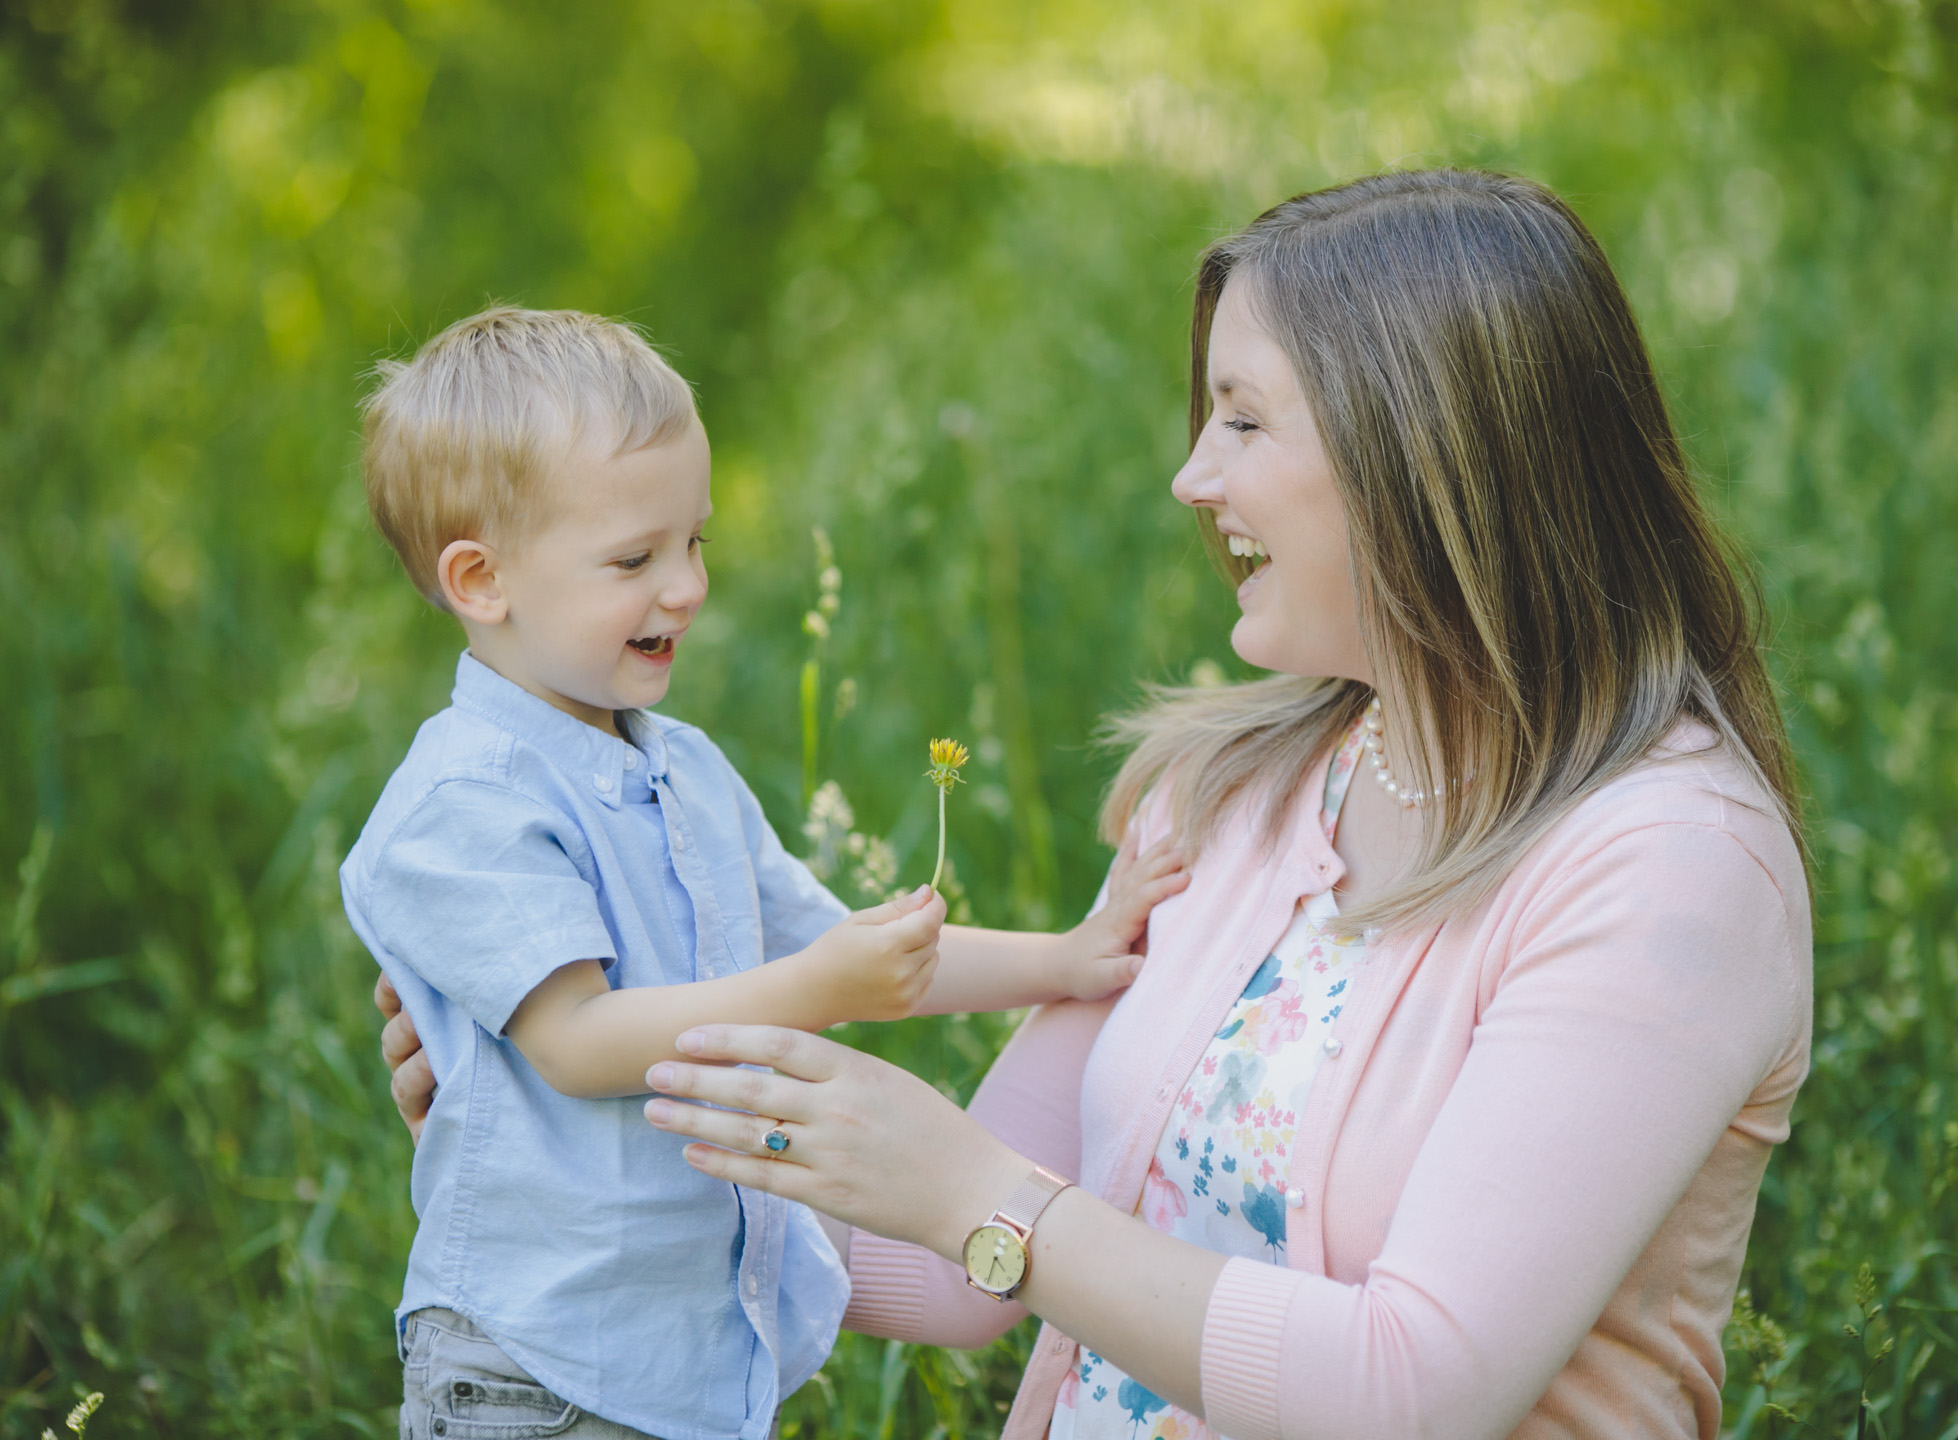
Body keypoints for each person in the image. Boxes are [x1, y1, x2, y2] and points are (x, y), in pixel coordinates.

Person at [380, 168, 1813, 1439]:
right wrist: (565, 1141)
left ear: (1424, 456)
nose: (1194, 477)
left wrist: (974, 1195)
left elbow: (1415, 1390)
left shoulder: (1667, 864)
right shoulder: (1228, 802)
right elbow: (951, 1274)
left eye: (1245, 420)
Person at [347, 307, 1186, 1440]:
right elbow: (579, 1044)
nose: (685, 586)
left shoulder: (679, 768)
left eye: (694, 541)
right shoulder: (466, 803)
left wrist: (1071, 961)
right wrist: (823, 990)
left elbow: (831, 940)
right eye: (633, 559)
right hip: (535, 1369)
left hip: (687, 1352)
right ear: (481, 580)